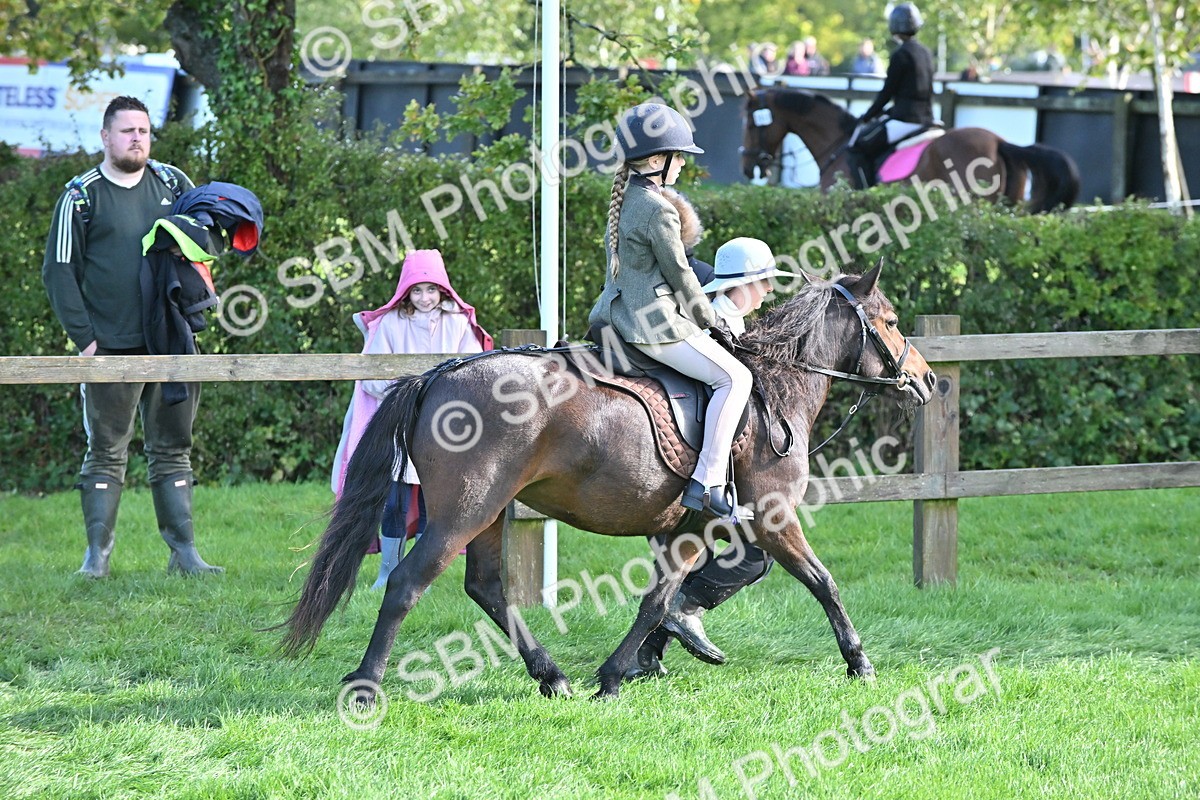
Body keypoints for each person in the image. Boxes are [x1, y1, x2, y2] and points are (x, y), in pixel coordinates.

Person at [41, 95, 224, 578]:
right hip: (110, 348)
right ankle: (96, 558)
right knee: (105, 450)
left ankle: (185, 554)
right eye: (127, 131)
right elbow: (59, 273)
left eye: (143, 130)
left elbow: (201, 249)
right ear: (105, 137)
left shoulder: (173, 181)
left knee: (173, 448)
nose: (137, 138)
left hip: (172, 342)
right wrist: (86, 340)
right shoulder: (80, 196)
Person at [626, 238, 797, 679]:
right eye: (764, 283)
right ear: (746, 284)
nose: (768, 293)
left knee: (694, 563)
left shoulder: (733, 323)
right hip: (693, 472)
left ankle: (646, 653)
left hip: (700, 469)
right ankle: (683, 609)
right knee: (754, 556)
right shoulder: (717, 324)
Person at [588, 102, 752, 522]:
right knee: (735, 377)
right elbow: (680, 273)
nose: (681, 165)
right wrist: (712, 319)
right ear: (657, 159)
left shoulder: (627, 197)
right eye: (678, 156)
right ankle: (708, 481)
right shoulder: (658, 207)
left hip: (616, 316)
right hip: (655, 323)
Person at [331, 249, 491, 590]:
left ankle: (421, 574)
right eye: (417, 290)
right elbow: (371, 375)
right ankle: (387, 573)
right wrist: (406, 386)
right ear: (406, 292)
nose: (424, 297)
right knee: (397, 501)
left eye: (431, 289)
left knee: (435, 502)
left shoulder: (457, 323)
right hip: (400, 423)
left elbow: (475, 370)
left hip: (443, 425)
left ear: (443, 290)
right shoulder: (390, 324)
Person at [847, 2, 935, 188]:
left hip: (905, 120)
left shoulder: (900, 55)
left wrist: (867, 116)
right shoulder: (926, 52)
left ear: (894, 26)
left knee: (857, 147)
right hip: (928, 118)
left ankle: (864, 195)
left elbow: (887, 93)